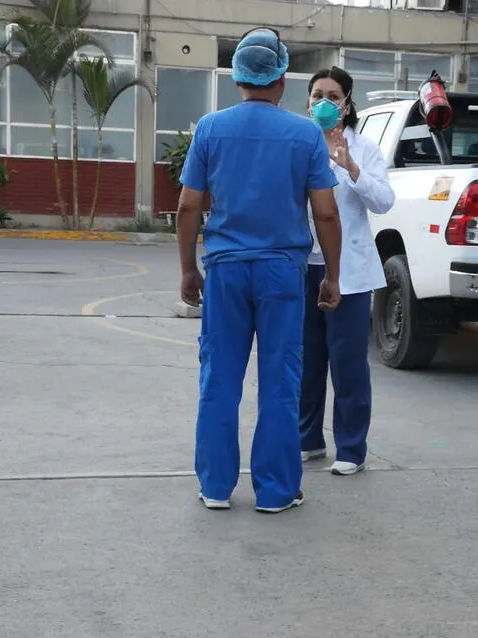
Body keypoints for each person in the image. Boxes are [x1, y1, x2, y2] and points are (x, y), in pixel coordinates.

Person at [176, 28, 342, 513]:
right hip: (281, 273)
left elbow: (189, 207)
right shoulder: (305, 133)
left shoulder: (210, 128)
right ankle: (275, 490)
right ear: (282, 78)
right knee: (279, 380)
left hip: (225, 270)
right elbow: (326, 213)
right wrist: (331, 275)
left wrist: (189, 269)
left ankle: (215, 487)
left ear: (239, 78)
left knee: (219, 379)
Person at [301, 67, 394, 475]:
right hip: (302, 266)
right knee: (306, 360)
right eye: (316, 94)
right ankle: (307, 440)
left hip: (351, 273)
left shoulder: (365, 148)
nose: (323, 101)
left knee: (348, 363)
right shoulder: (296, 142)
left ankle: (351, 448)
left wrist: (351, 167)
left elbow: (384, 202)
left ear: (347, 103)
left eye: (332, 95)